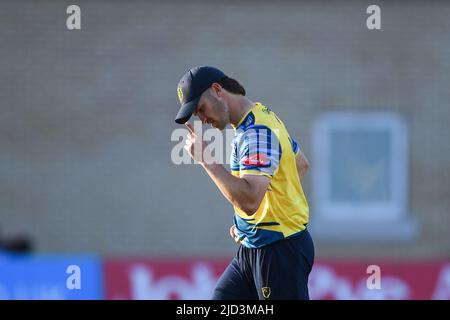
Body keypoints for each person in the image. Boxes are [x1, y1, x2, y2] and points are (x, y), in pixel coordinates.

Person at [174, 66, 314, 300]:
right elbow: (300, 165)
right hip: (256, 247)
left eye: (201, 109)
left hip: (279, 251)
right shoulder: (262, 116)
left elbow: (249, 201)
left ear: (217, 90)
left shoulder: (256, 132)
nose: (202, 119)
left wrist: (206, 159)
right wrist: (252, 222)